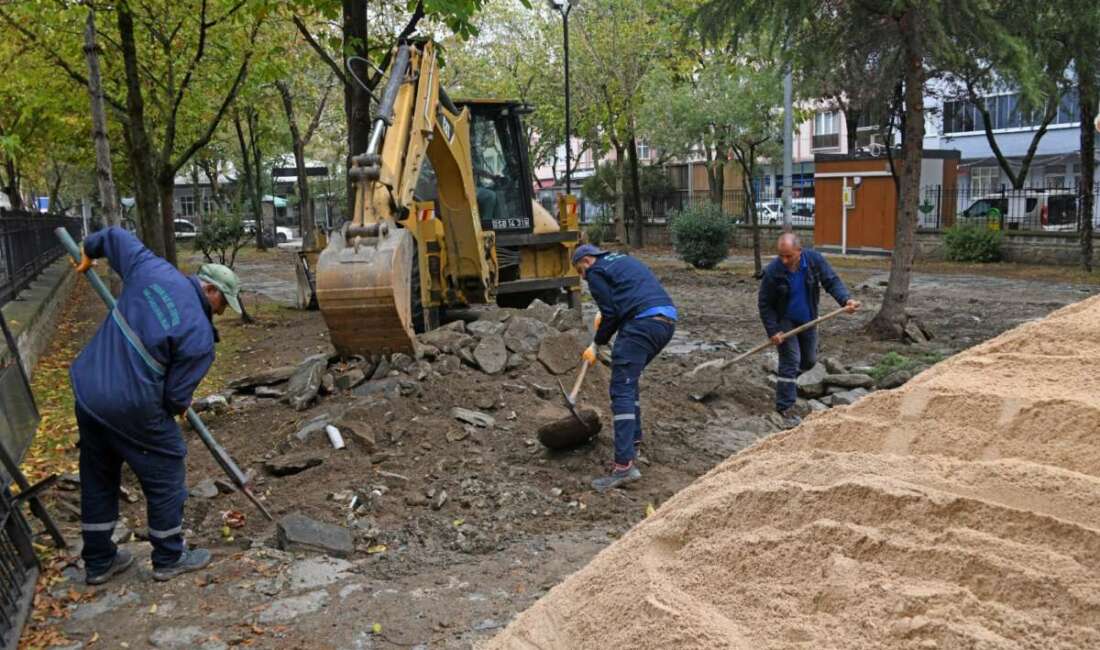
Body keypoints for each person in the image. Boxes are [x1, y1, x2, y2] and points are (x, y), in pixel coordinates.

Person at [69, 226, 242, 584]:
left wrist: (89, 251)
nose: (222, 312)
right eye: (224, 303)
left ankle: (99, 562)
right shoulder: (200, 337)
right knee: (167, 467)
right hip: (131, 404)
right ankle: (169, 557)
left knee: (98, 475)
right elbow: (174, 398)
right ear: (210, 289)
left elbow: (114, 237)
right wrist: (181, 402)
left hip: (88, 392)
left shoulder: (152, 269)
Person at [572, 244, 676, 492]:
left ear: (587, 261)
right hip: (665, 322)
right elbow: (623, 300)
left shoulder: (595, 271)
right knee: (629, 379)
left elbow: (611, 312)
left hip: (642, 324)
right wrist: (608, 318)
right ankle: (633, 442)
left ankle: (623, 467)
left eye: (580, 271)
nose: (583, 278)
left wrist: (597, 342)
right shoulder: (621, 260)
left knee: (621, 388)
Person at [758, 232, 859, 428]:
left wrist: (845, 300)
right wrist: (773, 330)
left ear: (799, 251)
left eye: (788, 256)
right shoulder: (773, 271)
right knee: (790, 360)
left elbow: (831, 281)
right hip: (784, 320)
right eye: (781, 255)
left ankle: (787, 382)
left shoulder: (814, 261)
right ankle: (785, 408)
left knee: (809, 360)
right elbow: (765, 304)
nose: (784, 260)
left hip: (808, 318)